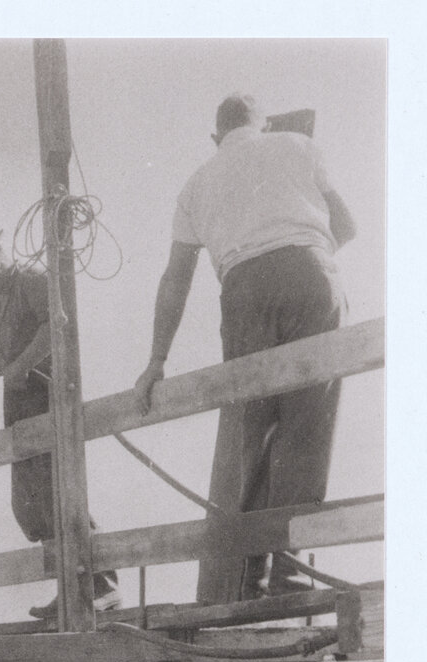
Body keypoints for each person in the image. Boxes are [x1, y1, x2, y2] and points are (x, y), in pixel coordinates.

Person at [133, 94, 356, 601]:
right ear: (264, 124)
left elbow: (175, 278)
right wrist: (309, 256)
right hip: (311, 275)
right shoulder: (298, 144)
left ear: (216, 138)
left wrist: (156, 360)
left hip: (242, 291)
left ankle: (245, 580)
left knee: (250, 432)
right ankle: (290, 572)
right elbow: (348, 226)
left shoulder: (196, 183)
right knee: (308, 425)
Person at [0, 230, 119, 620]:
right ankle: (70, 586)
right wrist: (1, 366)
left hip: (48, 399)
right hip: (19, 408)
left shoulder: (32, 280)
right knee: (32, 505)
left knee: (62, 493)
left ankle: (103, 586)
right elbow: (12, 357)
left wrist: (21, 366)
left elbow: (54, 327)